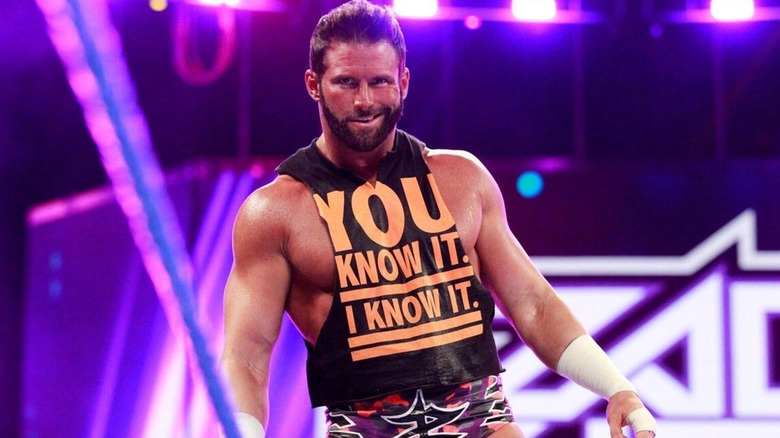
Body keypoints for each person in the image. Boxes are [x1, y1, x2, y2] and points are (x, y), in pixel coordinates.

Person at [221, 1, 657, 437]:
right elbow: (246, 355)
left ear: (404, 82)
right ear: (314, 84)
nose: (365, 100)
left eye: (379, 82)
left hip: (482, 425)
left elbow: (533, 304)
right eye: (346, 82)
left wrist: (617, 388)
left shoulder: (462, 180)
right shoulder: (275, 213)